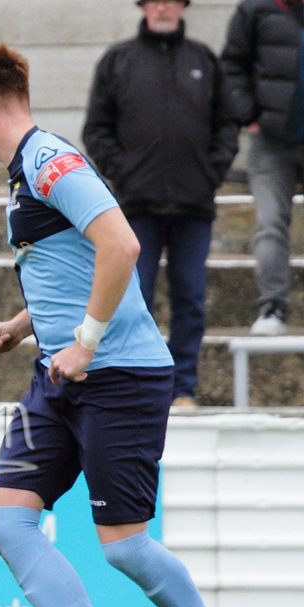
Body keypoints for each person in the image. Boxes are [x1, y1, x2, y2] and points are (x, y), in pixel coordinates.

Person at [0, 43, 243, 607]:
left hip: (121, 377)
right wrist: (19, 326)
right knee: (6, 521)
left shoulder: (51, 162)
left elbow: (123, 245)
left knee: (125, 547)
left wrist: (84, 341)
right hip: (59, 376)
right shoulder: (25, 172)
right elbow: (75, 265)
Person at [84, 0, 239, 407]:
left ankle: (182, 388)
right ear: (144, 7)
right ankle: (141, 387)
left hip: (194, 208)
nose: (163, 8)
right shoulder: (118, 60)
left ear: (183, 7)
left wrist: (210, 174)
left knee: (190, 300)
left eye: (171, 0)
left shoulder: (204, 60)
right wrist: (124, 174)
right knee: (135, 299)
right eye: (155, 1)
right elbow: (96, 129)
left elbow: (227, 125)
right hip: (137, 210)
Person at [221, 0, 304, 335]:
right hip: (271, 141)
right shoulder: (256, 8)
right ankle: (272, 306)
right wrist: (248, 114)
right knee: (270, 224)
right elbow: (232, 66)